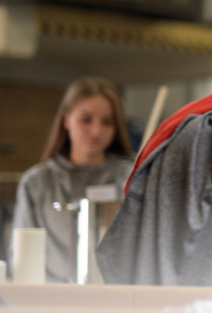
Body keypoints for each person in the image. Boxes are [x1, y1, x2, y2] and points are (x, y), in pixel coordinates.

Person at [12, 77, 135, 282]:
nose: (96, 131)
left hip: (114, 298)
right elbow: (20, 255)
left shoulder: (130, 178)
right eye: (86, 119)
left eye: (107, 122)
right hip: (49, 300)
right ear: (66, 119)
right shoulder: (36, 182)